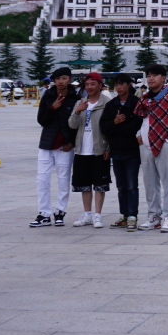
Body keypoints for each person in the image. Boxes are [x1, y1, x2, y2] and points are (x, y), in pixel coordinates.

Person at [134, 65, 168, 232]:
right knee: (150, 182)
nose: (151, 78)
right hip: (146, 144)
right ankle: (154, 215)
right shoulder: (145, 97)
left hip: (164, 143)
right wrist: (139, 134)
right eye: (148, 75)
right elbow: (142, 118)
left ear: (163, 78)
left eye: (155, 75)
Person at [30, 69, 78, 227]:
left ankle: (60, 212)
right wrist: (52, 108)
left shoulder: (75, 98)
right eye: (57, 79)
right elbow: (41, 120)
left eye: (64, 78)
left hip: (65, 146)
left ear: (69, 80)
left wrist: (72, 143)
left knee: (63, 180)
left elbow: (78, 124)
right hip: (47, 144)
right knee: (42, 179)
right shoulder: (48, 96)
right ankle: (44, 213)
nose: (60, 81)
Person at [67, 72, 112, 227]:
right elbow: (72, 125)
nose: (90, 87)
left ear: (100, 85)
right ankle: (87, 214)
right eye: (87, 85)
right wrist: (78, 110)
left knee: (100, 184)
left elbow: (111, 128)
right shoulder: (81, 102)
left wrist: (108, 147)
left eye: (93, 84)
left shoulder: (107, 102)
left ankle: (98, 215)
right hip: (81, 150)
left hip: (99, 149)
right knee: (84, 184)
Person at [100, 73, 143, 230]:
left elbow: (135, 126)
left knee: (132, 185)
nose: (118, 87)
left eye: (121, 84)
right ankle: (124, 214)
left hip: (131, 150)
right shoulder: (111, 105)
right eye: (116, 84)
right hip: (116, 150)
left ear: (129, 84)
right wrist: (115, 122)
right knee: (121, 186)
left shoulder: (137, 103)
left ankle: (133, 215)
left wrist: (116, 127)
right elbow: (103, 127)